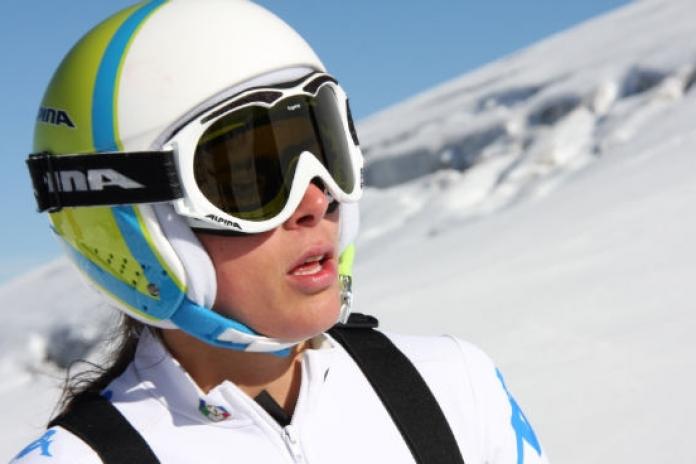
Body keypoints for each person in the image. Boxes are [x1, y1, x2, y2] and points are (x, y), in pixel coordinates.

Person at [13, 1, 549, 463]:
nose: (315, 202)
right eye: (250, 179)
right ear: (136, 226)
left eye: (326, 153)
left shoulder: (451, 390)